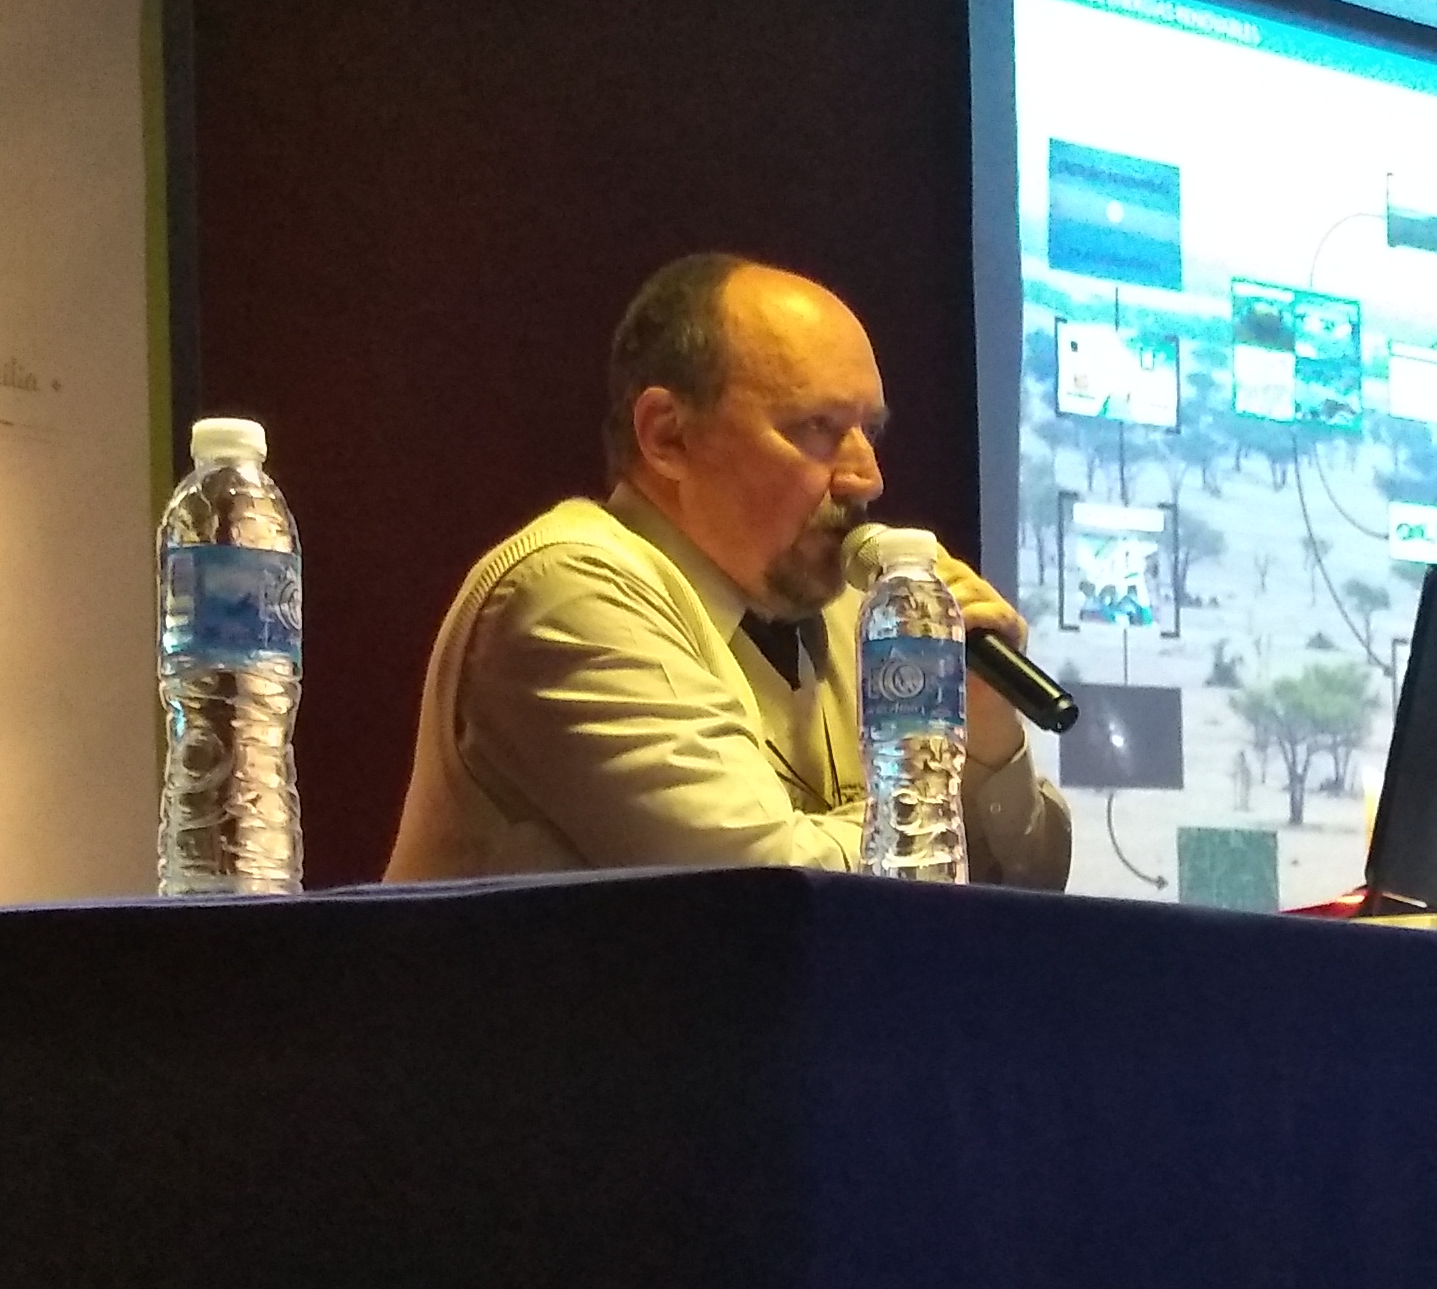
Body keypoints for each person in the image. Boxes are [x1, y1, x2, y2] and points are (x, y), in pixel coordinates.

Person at [386, 254, 1073, 886]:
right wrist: (938, 818)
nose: (867, 478)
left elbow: (1032, 886)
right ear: (667, 435)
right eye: (816, 427)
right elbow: (768, 890)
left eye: (871, 432)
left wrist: (987, 731)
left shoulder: (851, 607)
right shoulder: (569, 591)